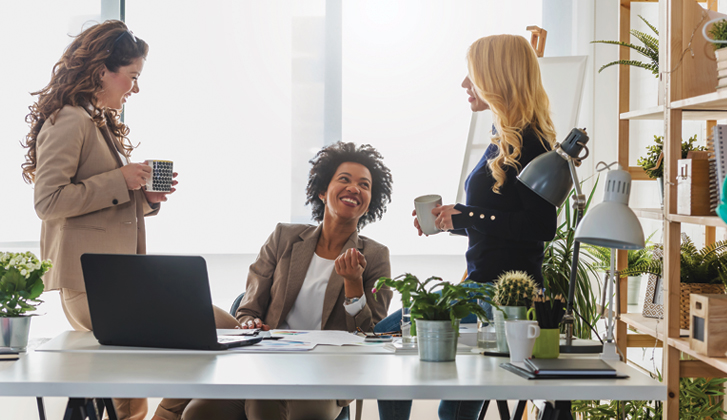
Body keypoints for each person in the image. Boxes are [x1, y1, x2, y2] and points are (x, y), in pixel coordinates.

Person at [22, 20, 239, 420]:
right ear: (103, 70)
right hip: (92, 286)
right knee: (218, 330)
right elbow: (49, 201)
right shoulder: (68, 120)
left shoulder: (95, 121)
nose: (135, 88)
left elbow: (101, 203)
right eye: (132, 76)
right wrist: (119, 179)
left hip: (117, 281)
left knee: (217, 333)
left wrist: (145, 199)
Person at [376, 34, 558, 420]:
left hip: (502, 296)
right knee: (389, 341)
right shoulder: (501, 141)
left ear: (496, 77)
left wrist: (469, 215)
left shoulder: (532, 142)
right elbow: (500, 222)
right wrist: (451, 221)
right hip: (480, 289)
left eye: (471, 74)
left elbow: (541, 226)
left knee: (389, 338)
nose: (464, 84)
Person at [152, 141, 394, 420]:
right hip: (268, 358)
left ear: (370, 202)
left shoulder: (375, 256)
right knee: (198, 412)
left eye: (364, 185)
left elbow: (371, 336)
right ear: (322, 191)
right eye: (344, 179)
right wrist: (249, 322)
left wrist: (353, 284)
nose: (355, 188)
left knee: (262, 401)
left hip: (324, 373)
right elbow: (249, 305)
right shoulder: (285, 237)